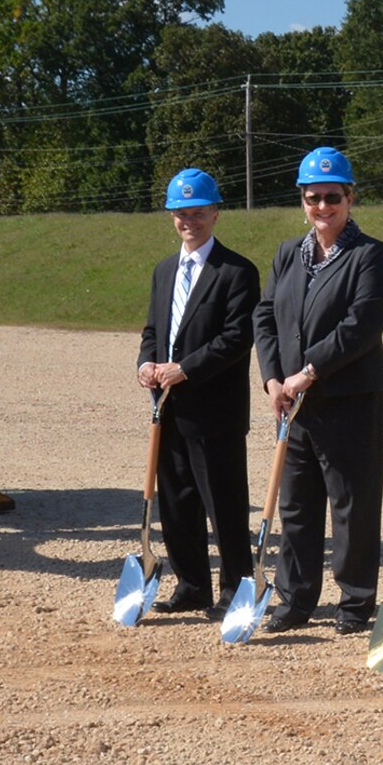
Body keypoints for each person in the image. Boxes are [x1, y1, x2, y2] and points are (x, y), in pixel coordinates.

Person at [253, 146, 383, 635]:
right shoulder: (288, 254)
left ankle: (355, 603)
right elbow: (265, 316)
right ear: (303, 199)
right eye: (313, 197)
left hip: (346, 401)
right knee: (296, 504)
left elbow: (359, 328)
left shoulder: (370, 255)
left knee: (351, 505)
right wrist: (273, 377)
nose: (322, 207)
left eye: (332, 197)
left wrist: (307, 372)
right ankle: (295, 599)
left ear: (350, 197)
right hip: (292, 401)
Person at [137, 168, 261, 619]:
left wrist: (185, 368)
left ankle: (234, 590)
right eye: (180, 213)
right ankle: (192, 585)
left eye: (197, 212)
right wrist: (146, 364)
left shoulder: (236, 271)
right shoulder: (164, 270)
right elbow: (154, 329)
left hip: (215, 411)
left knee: (224, 505)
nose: (188, 220)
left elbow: (235, 338)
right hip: (167, 408)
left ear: (215, 213)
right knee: (176, 502)